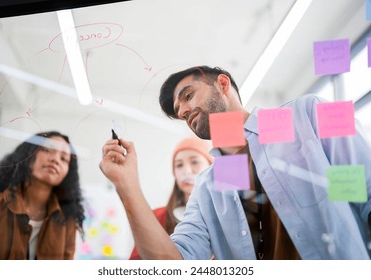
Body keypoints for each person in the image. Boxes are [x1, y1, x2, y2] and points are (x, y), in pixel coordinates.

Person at [100, 66, 371, 260]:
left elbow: (367, 191)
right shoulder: (207, 188)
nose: (183, 111)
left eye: (188, 95)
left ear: (223, 84)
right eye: (179, 113)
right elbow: (172, 265)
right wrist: (126, 184)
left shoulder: (309, 113)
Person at [0, 131, 85, 259]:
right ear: (28, 154)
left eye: (64, 159)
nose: (55, 159)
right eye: (47, 150)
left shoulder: (67, 222)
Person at [129, 136, 213, 259]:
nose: (186, 171)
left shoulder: (224, 217)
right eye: (179, 165)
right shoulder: (157, 217)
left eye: (194, 162)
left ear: (210, 167)